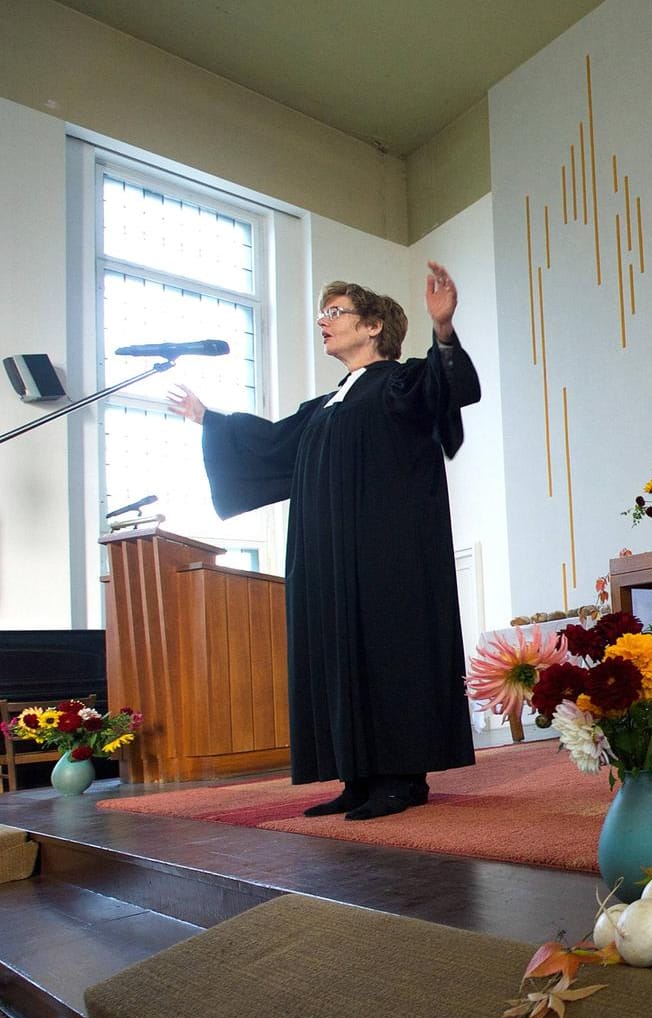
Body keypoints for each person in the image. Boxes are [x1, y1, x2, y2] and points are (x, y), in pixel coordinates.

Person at [167, 263, 479, 820]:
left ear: (375, 326)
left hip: (387, 553)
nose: (323, 322)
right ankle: (355, 775)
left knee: (387, 650)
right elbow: (271, 444)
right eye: (323, 313)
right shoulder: (328, 404)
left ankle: (402, 777)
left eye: (335, 313)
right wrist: (207, 420)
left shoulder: (400, 382)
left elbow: (447, 388)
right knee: (335, 651)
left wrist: (444, 329)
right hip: (326, 557)